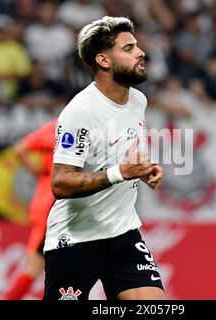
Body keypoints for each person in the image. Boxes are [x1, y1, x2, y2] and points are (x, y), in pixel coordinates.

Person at [43, 16, 165, 301]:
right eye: (128, 48)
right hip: (75, 241)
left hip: (123, 233)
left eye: (136, 46)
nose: (140, 52)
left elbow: (119, 154)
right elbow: (60, 183)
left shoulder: (138, 101)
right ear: (104, 60)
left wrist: (145, 170)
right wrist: (120, 173)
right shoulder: (80, 111)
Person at [4, 118, 57, 300]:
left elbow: (20, 149)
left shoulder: (50, 128)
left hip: (42, 200)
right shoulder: (81, 128)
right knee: (35, 267)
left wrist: (38, 171)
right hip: (57, 204)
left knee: (37, 264)